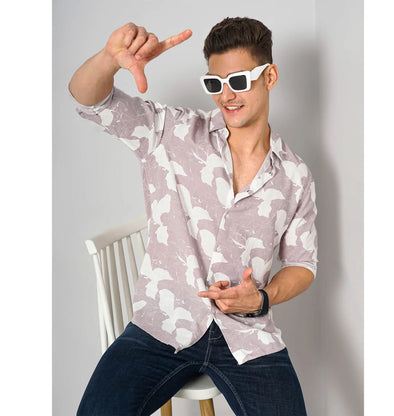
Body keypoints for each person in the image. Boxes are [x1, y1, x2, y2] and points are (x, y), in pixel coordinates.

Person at [70, 17, 318, 416]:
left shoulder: (295, 175)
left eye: (239, 81)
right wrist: (108, 60)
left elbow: (302, 265)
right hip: (161, 326)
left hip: (247, 336)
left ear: (269, 76)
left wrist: (262, 298)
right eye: (215, 84)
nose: (226, 96)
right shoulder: (171, 132)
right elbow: (88, 99)